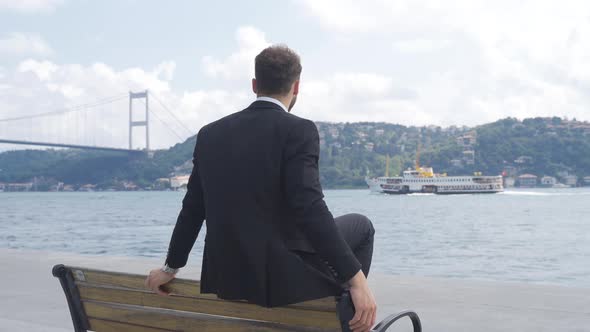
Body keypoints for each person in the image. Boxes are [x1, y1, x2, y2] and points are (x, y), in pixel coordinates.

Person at [145, 45, 377, 332]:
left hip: (226, 275)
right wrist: (357, 280)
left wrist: (170, 268)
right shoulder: (299, 130)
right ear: (296, 86)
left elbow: (192, 209)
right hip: (280, 278)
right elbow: (309, 208)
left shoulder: (210, 134)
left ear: (255, 85)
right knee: (362, 227)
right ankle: (342, 318)